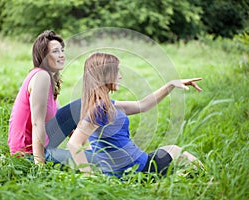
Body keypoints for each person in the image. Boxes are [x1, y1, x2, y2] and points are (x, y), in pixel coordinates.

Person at [67, 52, 204, 177]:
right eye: (117, 71)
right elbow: (74, 143)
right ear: (106, 74)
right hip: (140, 169)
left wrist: (171, 84)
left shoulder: (106, 106)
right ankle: (210, 180)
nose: (120, 76)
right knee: (175, 150)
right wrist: (88, 176)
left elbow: (143, 105)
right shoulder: (100, 108)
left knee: (171, 156)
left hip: (134, 168)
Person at [8, 30, 72, 164]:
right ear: (43, 56)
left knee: (77, 109)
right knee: (91, 161)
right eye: (55, 51)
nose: (62, 55)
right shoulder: (41, 76)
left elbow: (62, 119)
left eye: (62, 50)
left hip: (40, 149)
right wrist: (40, 165)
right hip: (27, 155)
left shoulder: (49, 78)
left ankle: (92, 151)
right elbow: (37, 123)